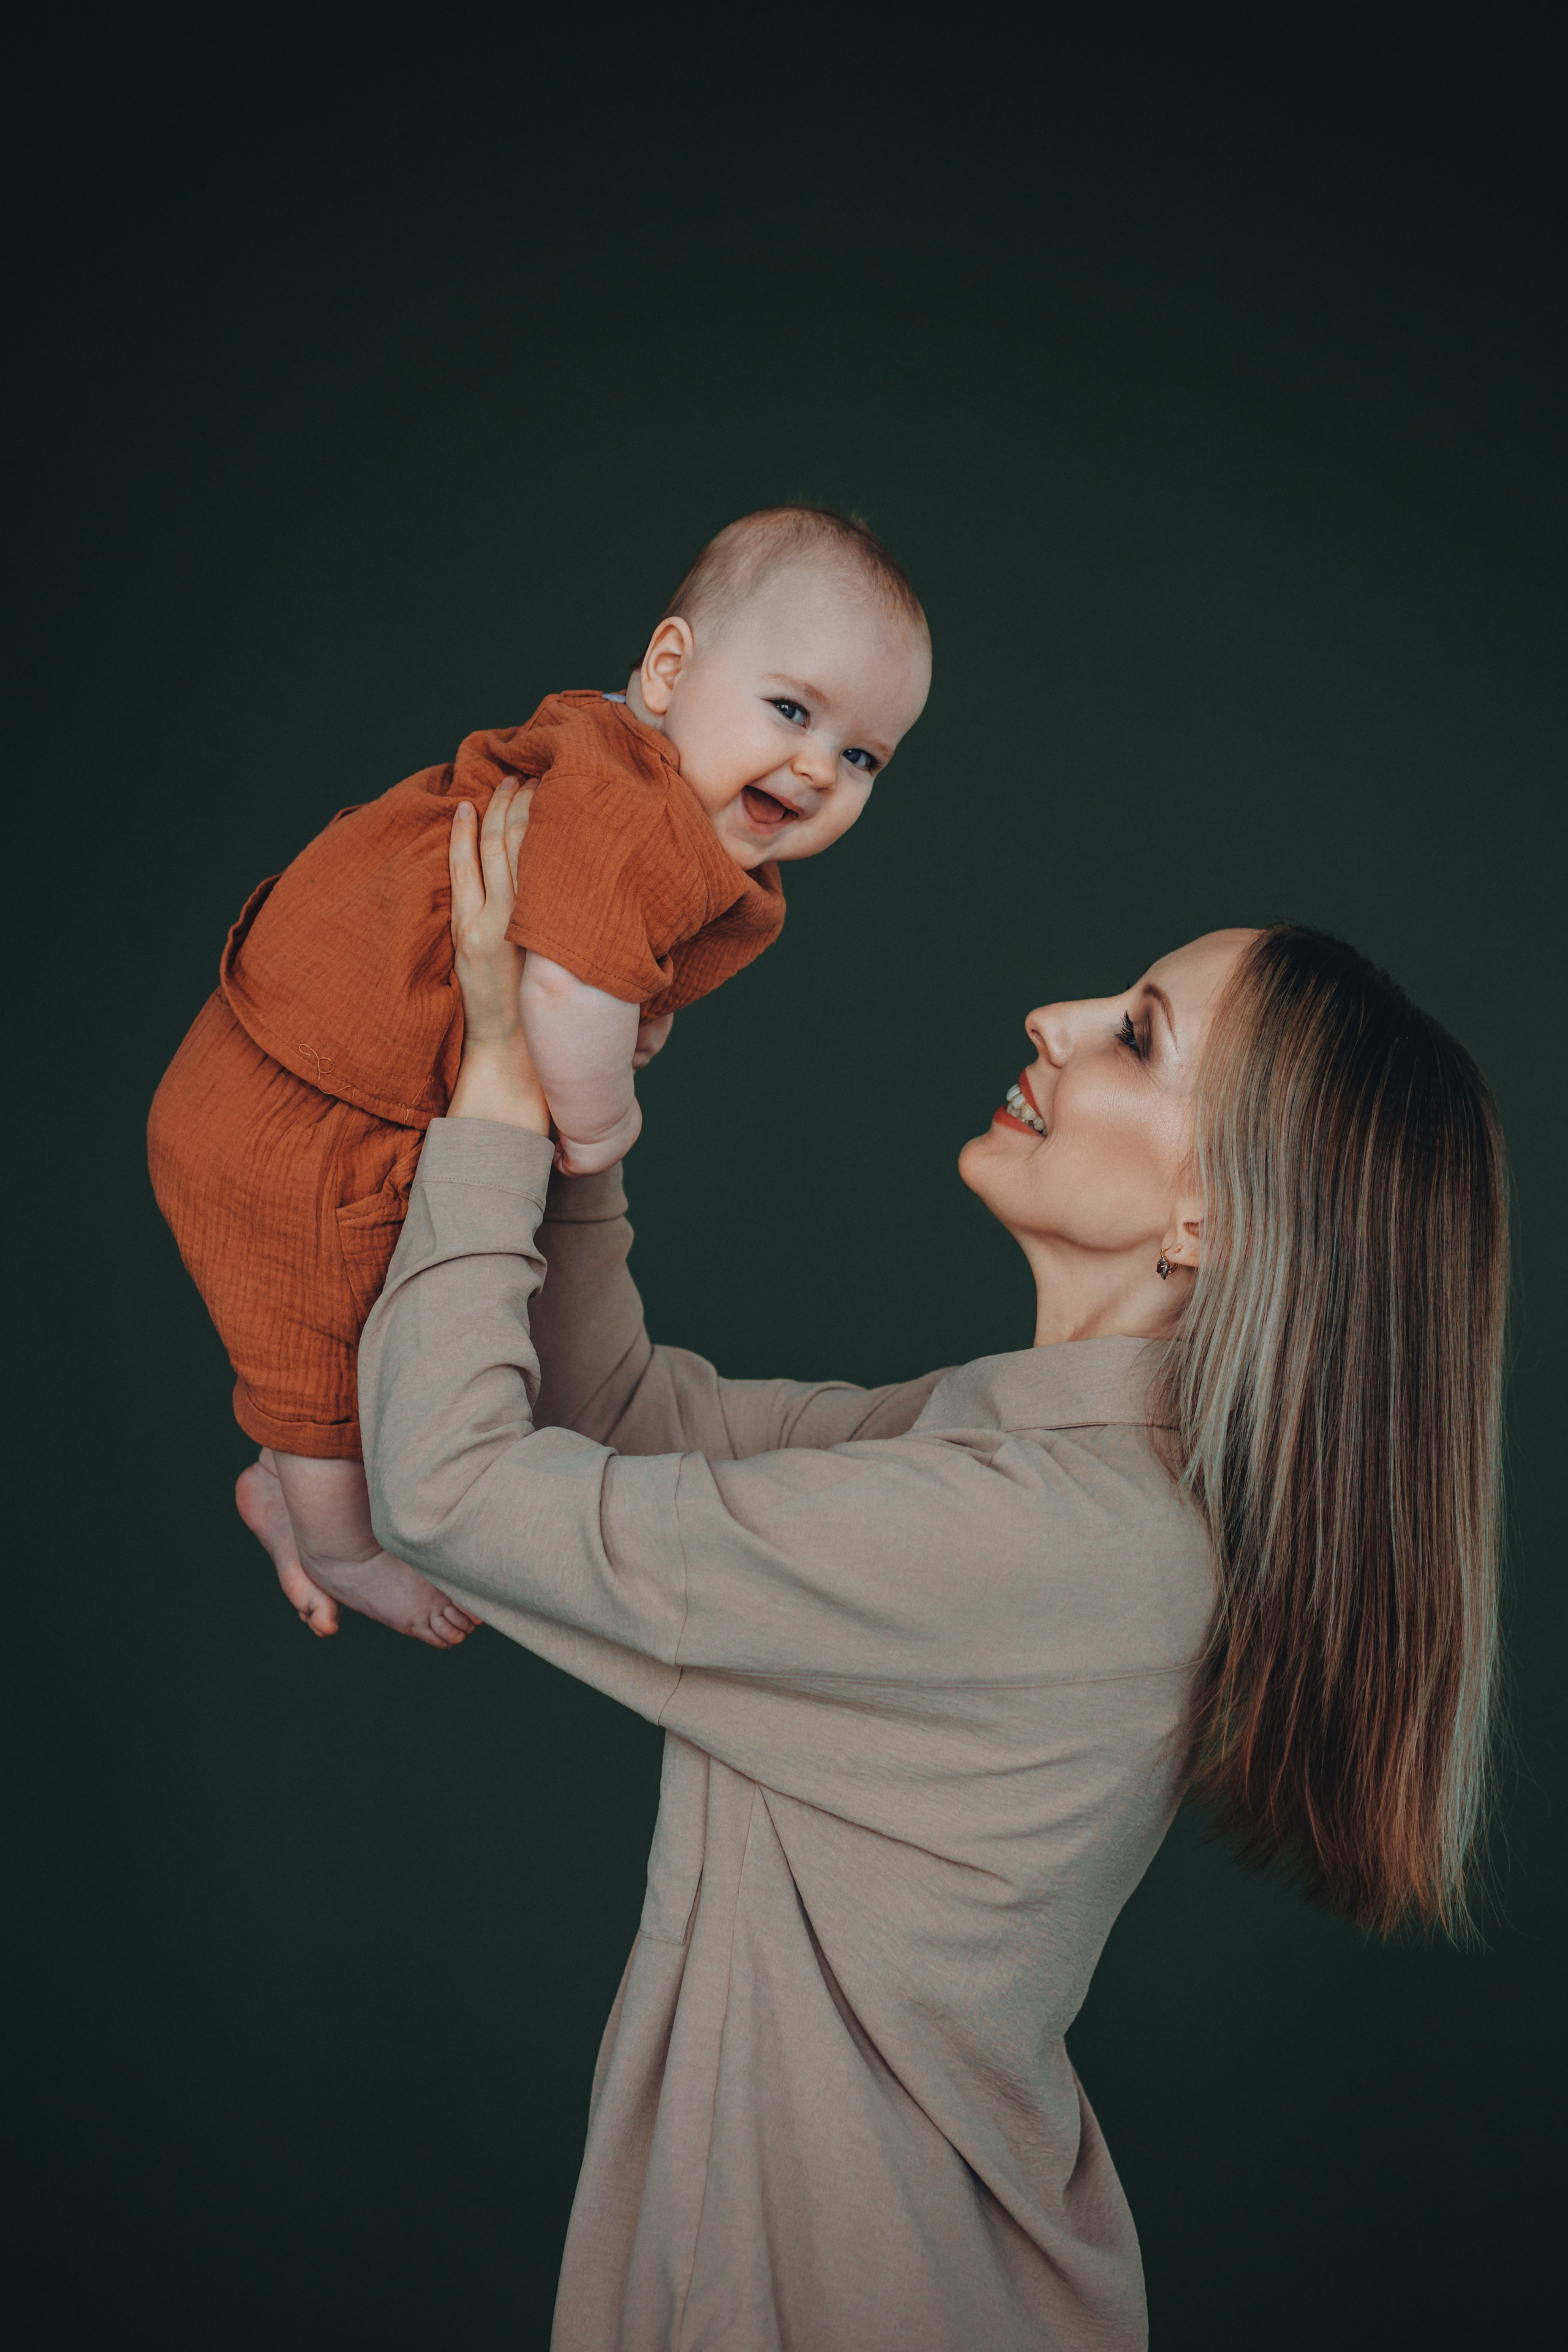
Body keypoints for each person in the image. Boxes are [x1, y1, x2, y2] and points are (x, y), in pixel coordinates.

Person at [352, 788, 1507, 2348]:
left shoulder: (1052, 1544)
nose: (1053, 1015)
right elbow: (616, 1423)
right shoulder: (997, 1454)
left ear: (1206, 1220)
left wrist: (494, 1081)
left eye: (1137, 1037)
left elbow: (451, 1486)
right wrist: (580, 1128)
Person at [146, 505, 931, 1651]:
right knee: (326, 1374)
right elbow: (565, 995)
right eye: (792, 709)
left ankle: (286, 1481)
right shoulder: (634, 809)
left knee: (366, 1336)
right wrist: (605, 1121)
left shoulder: (611, 764)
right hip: (300, 1123)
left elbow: (572, 963)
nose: (818, 767)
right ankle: (339, 1543)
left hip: (287, 1072)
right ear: (669, 669)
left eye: (862, 757)